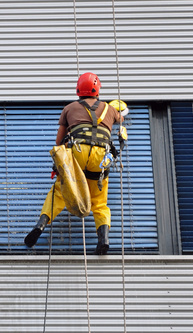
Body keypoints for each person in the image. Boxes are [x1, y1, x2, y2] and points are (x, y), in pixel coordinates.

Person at [25, 72, 127, 255]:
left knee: (60, 193)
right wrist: (118, 109)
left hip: (77, 153)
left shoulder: (69, 108)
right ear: (97, 90)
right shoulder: (109, 110)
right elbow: (122, 118)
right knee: (99, 202)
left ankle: (40, 225)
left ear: (78, 90)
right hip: (100, 157)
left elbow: (58, 140)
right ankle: (103, 239)